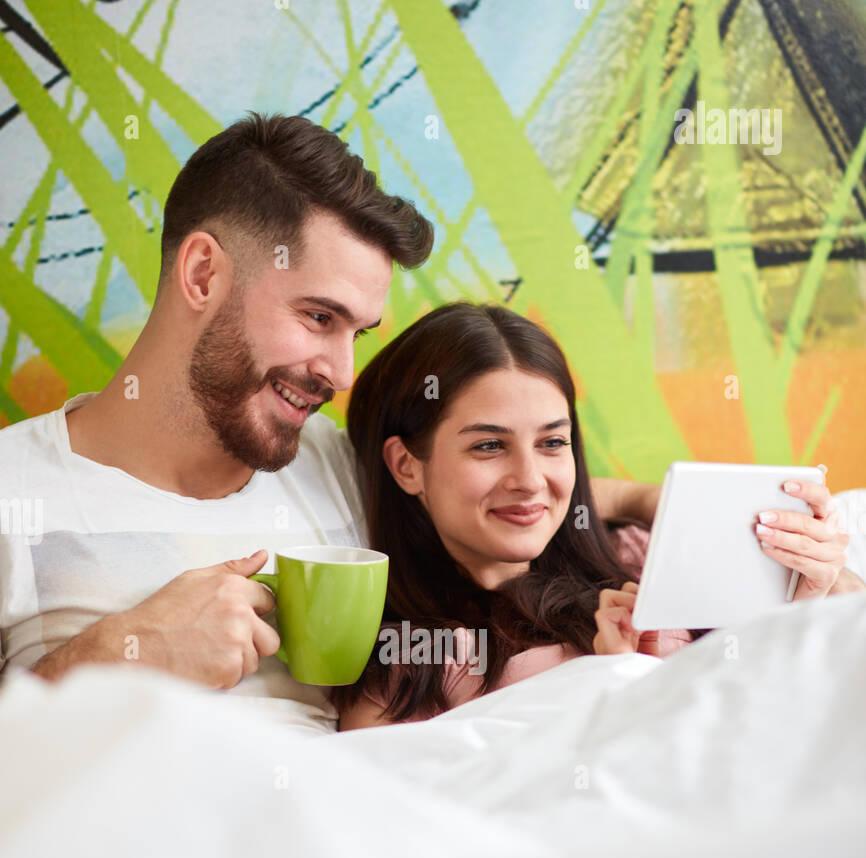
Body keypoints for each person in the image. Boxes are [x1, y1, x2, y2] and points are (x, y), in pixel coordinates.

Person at [0, 113, 652, 731]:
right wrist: (119, 654)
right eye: (318, 317)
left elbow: (516, 485)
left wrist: (668, 503)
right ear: (203, 274)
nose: (341, 374)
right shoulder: (15, 488)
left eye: (358, 334)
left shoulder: (338, 462)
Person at [335, 303, 856, 730]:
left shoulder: (638, 554)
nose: (531, 479)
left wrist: (817, 592)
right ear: (407, 466)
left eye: (552, 442)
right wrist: (616, 689)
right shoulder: (399, 663)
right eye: (489, 445)